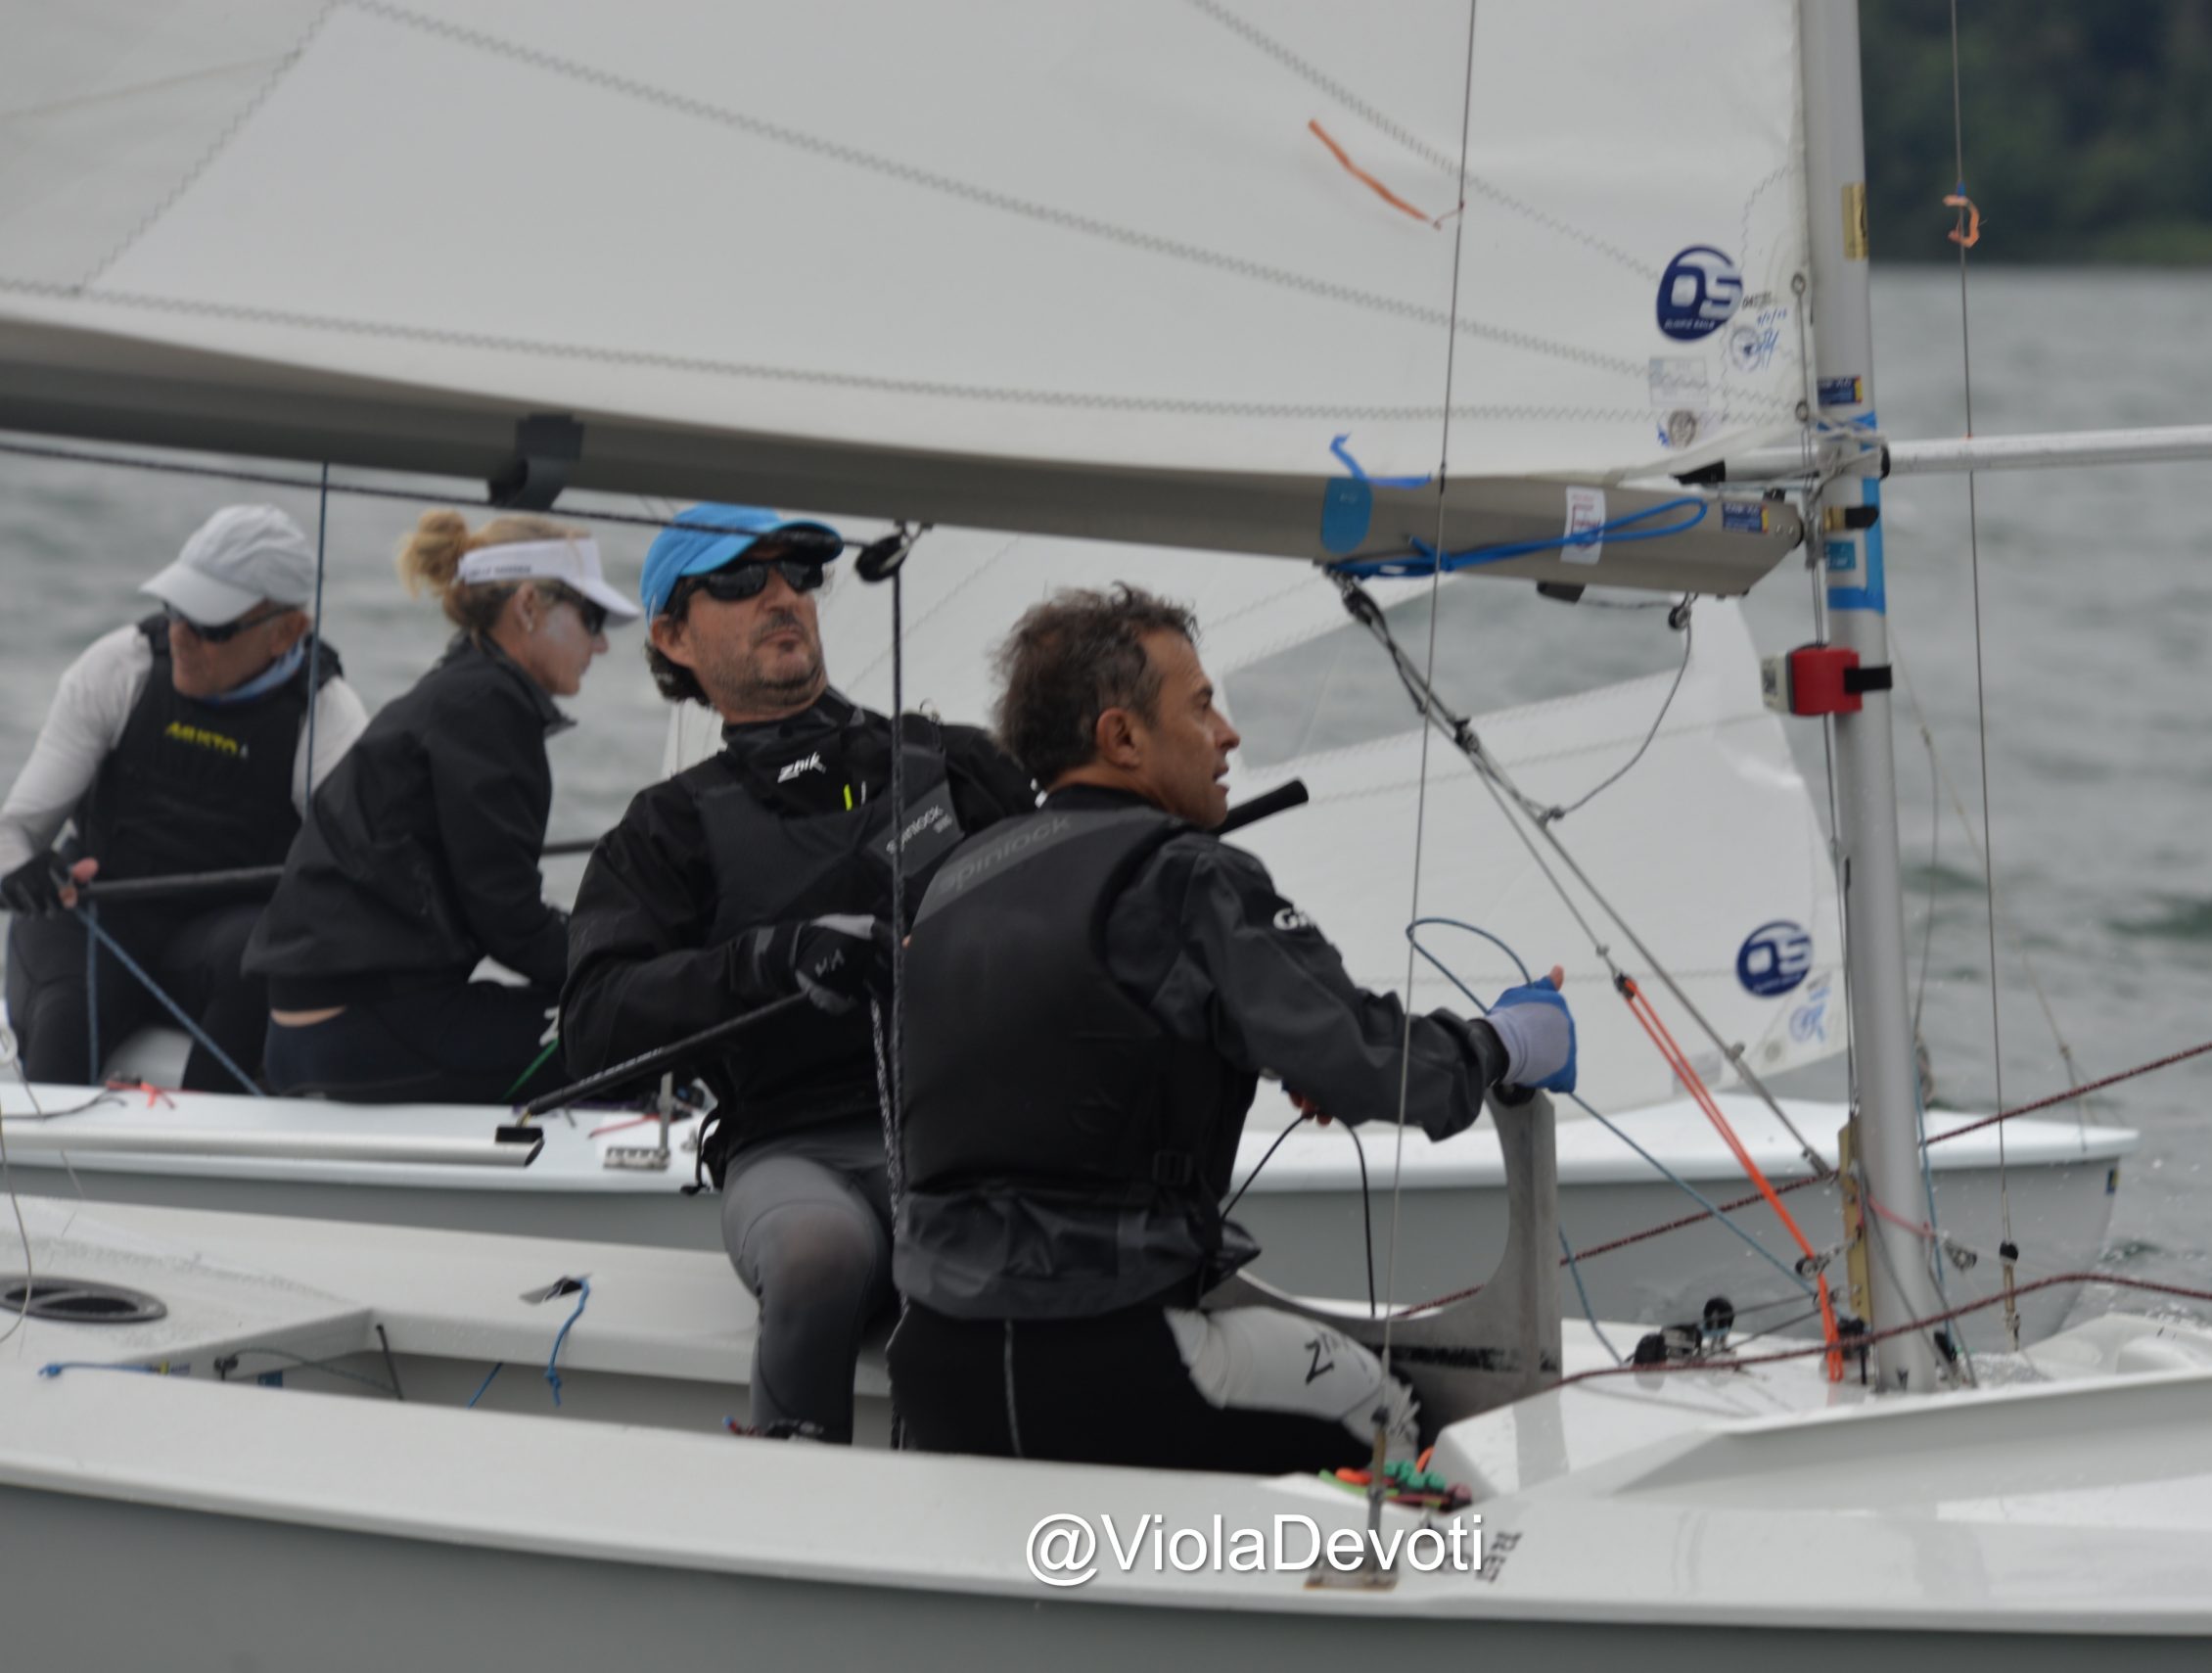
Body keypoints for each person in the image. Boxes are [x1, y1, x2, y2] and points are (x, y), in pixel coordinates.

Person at [887, 585, 1577, 1475]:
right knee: (1390, 1412)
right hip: (1114, 1365)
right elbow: (1378, 1066)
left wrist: (1259, 1051)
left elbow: (1063, 1057)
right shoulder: (1186, 878)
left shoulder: (951, 884)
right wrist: (1508, 1041)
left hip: (942, 1365)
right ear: (1123, 737)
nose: (1229, 734)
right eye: (1202, 705)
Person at [562, 504, 1034, 1443]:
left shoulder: (958, 766)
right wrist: (768, 958)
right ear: (670, 635)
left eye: (797, 574)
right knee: (820, 1254)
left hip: (965, 1136)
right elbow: (594, 1028)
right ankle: (790, 1514)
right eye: (739, 580)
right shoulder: (665, 829)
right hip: (792, 1154)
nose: (779, 595)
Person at [241, 512, 635, 1104]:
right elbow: (510, 920)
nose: (601, 643)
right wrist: (629, 969)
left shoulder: (456, 689)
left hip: (313, 1026)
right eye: (591, 618)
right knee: (634, 1034)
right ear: (528, 605)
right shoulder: (489, 707)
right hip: (365, 1030)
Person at [0, 505, 367, 1092]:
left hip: (226, 947)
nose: (181, 636)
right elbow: (14, 832)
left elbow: (357, 888)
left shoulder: (329, 721)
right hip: (95, 918)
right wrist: (21, 871)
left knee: (265, 963)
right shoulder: (119, 668)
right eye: (177, 610)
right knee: (60, 1035)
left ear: (287, 631)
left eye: (211, 626)